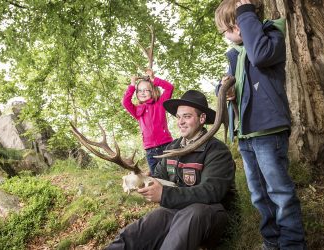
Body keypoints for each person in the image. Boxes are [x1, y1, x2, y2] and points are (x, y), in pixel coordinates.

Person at [215, 1, 306, 249]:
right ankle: (272, 241)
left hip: (268, 131)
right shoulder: (238, 54)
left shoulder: (270, 38)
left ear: (237, 25)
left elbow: (261, 56)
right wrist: (225, 89)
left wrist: (245, 13)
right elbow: (230, 86)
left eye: (225, 30)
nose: (225, 37)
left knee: (279, 193)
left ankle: (292, 244)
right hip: (247, 134)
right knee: (259, 195)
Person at [107, 90, 236, 250]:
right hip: (177, 209)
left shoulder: (217, 150)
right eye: (178, 117)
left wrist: (164, 194)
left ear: (202, 118)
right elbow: (159, 176)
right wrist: (143, 180)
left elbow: (211, 192)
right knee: (139, 231)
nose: (180, 121)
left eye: (187, 116)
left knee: (193, 214)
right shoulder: (172, 148)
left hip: (209, 214)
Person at [122, 69, 174, 175]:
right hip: (150, 150)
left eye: (146, 90)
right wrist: (132, 85)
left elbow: (169, 88)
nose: (142, 92)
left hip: (166, 146)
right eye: (139, 90)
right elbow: (125, 102)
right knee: (156, 176)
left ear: (153, 91)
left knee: (172, 173)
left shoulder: (160, 103)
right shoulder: (137, 110)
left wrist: (153, 79)